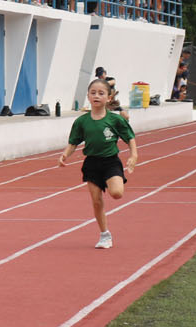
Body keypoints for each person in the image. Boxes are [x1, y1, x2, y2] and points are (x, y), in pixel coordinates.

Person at [58, 76, 138, 250]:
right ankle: (105, 235)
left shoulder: (115, 120)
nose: (96, 96)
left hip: (111, 162)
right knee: (96, 201)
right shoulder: (81, 122)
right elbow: (74, 142)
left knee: (116, 193)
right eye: (93, 93)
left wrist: (134, 155)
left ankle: (111, 185)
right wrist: (65, 155)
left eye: (101, 93)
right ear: (88, 96)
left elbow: (130, 138)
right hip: (92, 163)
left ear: (108, 98)